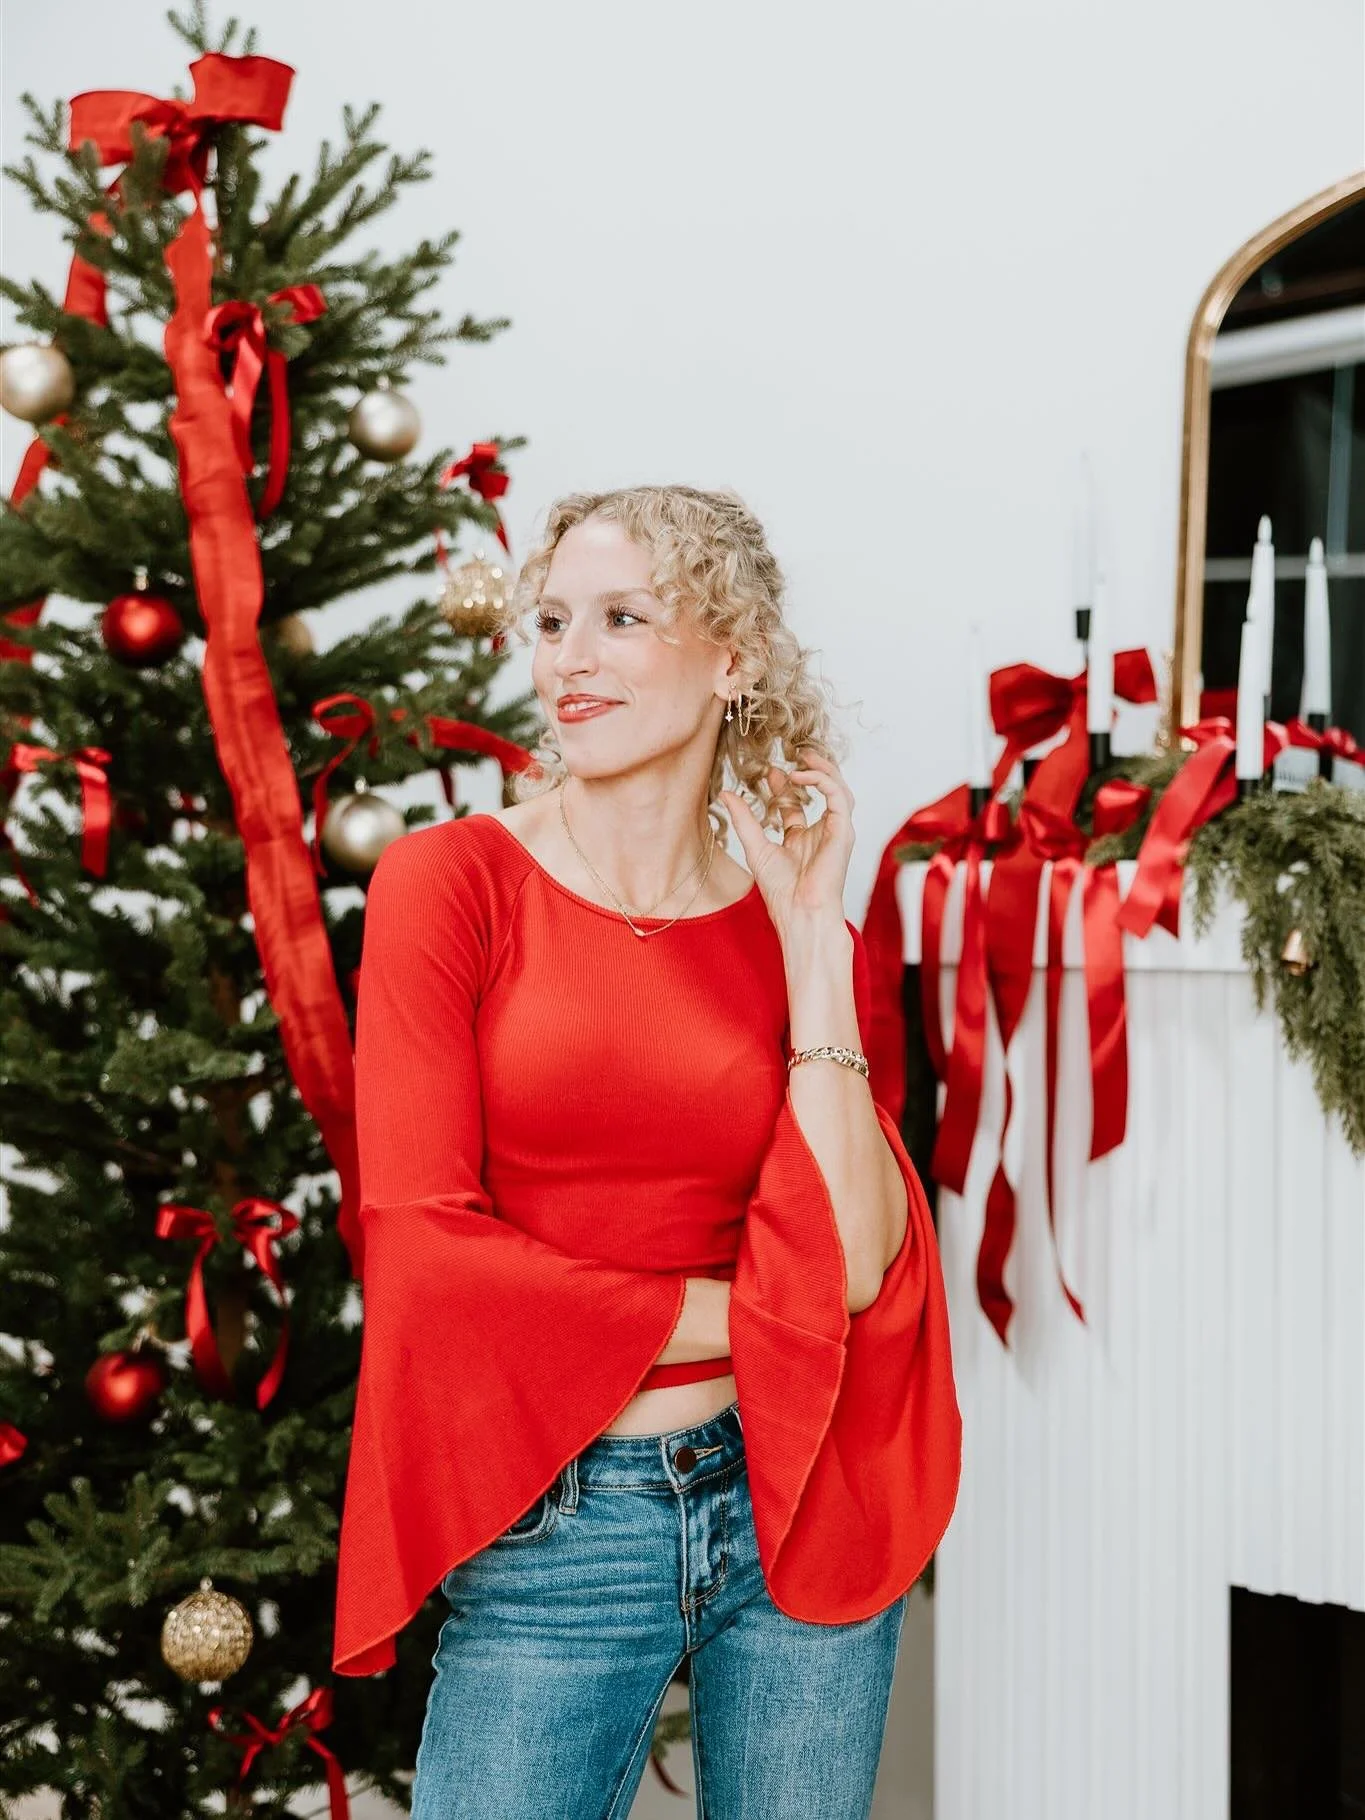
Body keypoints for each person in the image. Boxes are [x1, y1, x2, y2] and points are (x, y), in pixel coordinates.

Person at [332, 484, 962, 1818]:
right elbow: (425, 1252)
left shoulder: (780, 924)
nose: (569, 656)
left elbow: (853, 1260)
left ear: (731, 658)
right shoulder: (450, 884)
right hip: (560, 1514)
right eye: (553, 619)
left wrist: (812, 945)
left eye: (623, 618)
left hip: (793, 1473)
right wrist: (756, 1313)